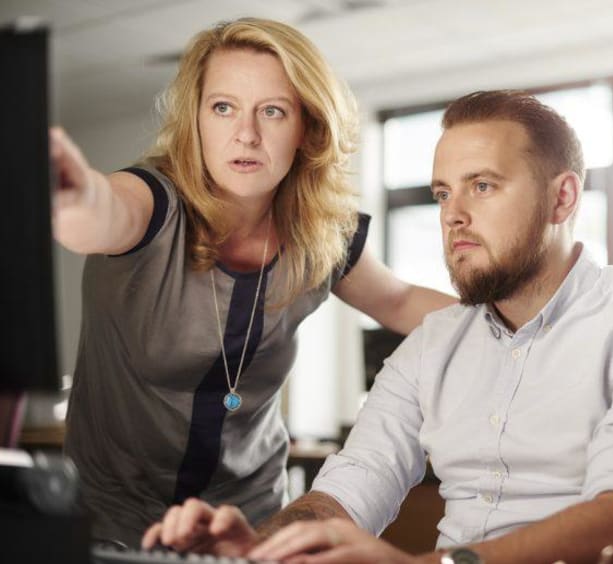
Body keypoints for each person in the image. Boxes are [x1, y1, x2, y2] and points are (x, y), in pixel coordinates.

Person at [142, 90, 613, 564]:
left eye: (483, 185)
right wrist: (260, 546)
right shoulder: (433, 344)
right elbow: (347, 490)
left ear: (562, 198)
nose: (453, 215)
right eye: (444, 193)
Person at [51, 17, 455, 547]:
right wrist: (71, 193)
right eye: (223, 108)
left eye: (272, 111)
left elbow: (399, 300)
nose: (246, 134)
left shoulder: (320, 234)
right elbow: (98, 213)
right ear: (196, 120)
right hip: (112, 520)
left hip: (251, 521)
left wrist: (520, 319)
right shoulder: (151, 202)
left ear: (306, 128)